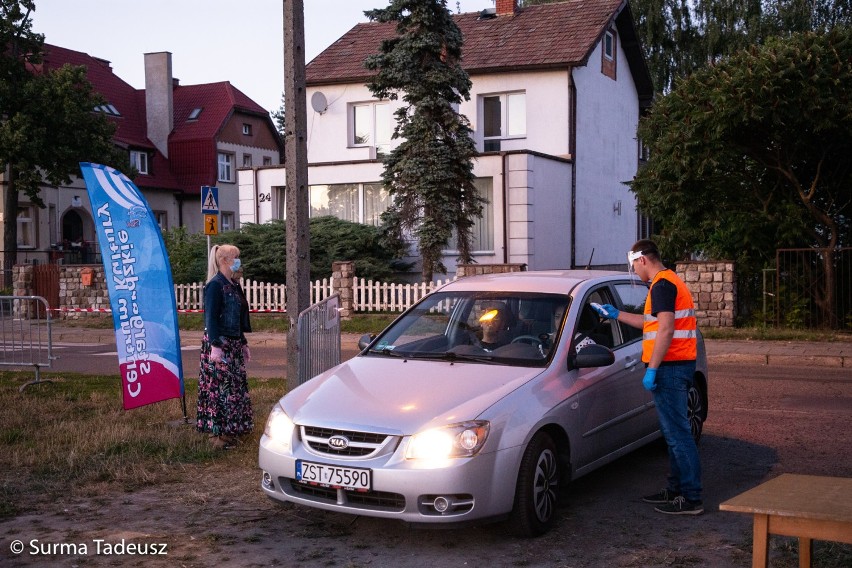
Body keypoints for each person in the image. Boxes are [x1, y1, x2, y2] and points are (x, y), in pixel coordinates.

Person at [594, 239, 702, 515]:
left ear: (643, 260)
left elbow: (665, 330)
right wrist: (617, 314)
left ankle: (690, 498)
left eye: (633, 266)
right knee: (674, 433)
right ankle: (676, 490)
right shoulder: (667, 283)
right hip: (676, 366)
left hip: (671, 367)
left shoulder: (663, 285)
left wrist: (652, 368)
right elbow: (652, 323)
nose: (634, 272)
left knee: (678, 435)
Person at [196, 244, 253, 450]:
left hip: (234, 343)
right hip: (220, 343)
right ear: (224, 261)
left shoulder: (234, 284)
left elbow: (237, 316)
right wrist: (215, 345)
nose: (238, 261)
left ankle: (230, 431)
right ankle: (216, 436)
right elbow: (210, 316)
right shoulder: (215, 285)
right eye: (235, 257)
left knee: (233, 389)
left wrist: (243, 341)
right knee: (219, 390)